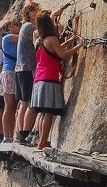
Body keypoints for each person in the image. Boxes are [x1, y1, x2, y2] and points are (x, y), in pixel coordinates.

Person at [30, 11, 82, 150]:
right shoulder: (52, 38)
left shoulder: (39, 40)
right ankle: (42, 142)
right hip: (49, 78)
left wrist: (68, 42)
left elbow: (53, 50)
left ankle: (41, 141)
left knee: (42, 113)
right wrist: (78, 46)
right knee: (48, 113)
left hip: (39, 79)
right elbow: (61, 54)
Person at [14, 1, 42, 144]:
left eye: (37, 9)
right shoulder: (30, 26)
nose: (36, 12)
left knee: (23, 102)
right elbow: (39, 42)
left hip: (20, 68)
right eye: (33, 10)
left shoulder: (25, 27)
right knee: (28, 102)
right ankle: (24, 133)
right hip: (26, 68)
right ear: (27, 13)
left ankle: (20, 133)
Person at [0, 18, 21, 142]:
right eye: (16, 25)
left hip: (15, 72)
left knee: (15, 105)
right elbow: (24, 36)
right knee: (9, 106)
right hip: (9, 72)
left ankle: (11, 134)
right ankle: (6, 136)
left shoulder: (15, 39)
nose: (18, 27)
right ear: (9, 28)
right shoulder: (7, 38)